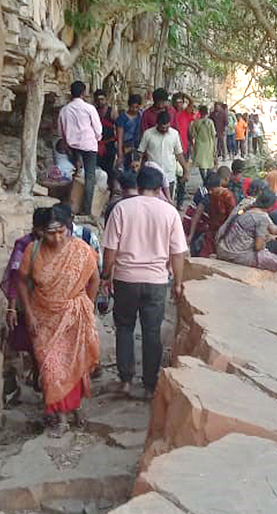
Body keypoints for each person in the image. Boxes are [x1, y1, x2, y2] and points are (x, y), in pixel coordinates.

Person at [102, 166, 188, 399]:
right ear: (161, 188)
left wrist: (105, 275)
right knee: (152, 331)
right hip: (156, 280)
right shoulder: (169, 213)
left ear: (137, 185)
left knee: (125, 328)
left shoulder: (122, 209)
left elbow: (110, 248)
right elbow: (178, 253)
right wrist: (178, 283)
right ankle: (150, 384)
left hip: (126, 279)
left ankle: (126, 380)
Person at [16, 206, 101, 435]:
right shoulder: (32, 251)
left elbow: (95, 279)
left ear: (68, 228)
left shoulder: (82, 250)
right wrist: (29, 314)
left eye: (61, 231)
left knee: (74, 363)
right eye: (51, 232)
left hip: (74, 315)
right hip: (43, 317)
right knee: (51, 367)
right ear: (41, 232)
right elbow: (22, 281)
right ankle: (61, 416)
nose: (57, 237)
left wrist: (87, 305)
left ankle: (75, 409)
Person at [216, 188, 277, 293]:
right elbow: (258, 246)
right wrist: (267, 241)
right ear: (271, 205)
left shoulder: (248, 208)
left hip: (224, 247)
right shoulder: (261, 217)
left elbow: (271, 227)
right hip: (238, 253)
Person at [0, 208, 52, 401]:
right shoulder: (24, 245)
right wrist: (12, 307)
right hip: (28, 305)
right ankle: (19, 386)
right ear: (37, 228)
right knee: (25, 343)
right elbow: (15, 278)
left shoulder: (59, 244)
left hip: (51, 306)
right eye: (46, 230)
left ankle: (43, 384)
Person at [58, 81, 103, 217]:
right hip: (89, 145)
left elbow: (61, 131)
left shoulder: (64, 110)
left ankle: (71, 204)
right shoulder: (89, 108)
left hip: (73, 146)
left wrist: (67, 143)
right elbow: (98, 128)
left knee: (75, 173)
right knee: (90, 176)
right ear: (83, 93)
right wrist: (97, 137)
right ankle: (87, 210)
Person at [137, 110, 188, 202]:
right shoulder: (148, 134)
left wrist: (185, 170)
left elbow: (179, 153)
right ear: (157, 124)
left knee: (169, 201)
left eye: (167, 127)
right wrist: (137, 166)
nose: (164, 129)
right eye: (162, 127)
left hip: (169, 174)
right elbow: (140, 152)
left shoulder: (174, 134)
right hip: (153, 175)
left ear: (170, 124)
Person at [185, 171, 234, 258]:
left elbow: (232, 217)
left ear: (219, 187)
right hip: (210, 231)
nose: (211, 192)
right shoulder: (208, 197)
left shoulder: (228, 197)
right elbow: (197, 215)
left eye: (212, 190)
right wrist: (191, 235)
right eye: (209, 190)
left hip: (224, 231)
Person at [188, 104, 217, 184]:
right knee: (209, 163)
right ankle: (208, 179)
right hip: (209, 144)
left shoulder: (196, 122)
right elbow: (213, 135)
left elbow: (193, 134)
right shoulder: (210, 122)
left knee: (201, 164)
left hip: (199, 145)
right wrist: (215, 148)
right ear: (207, 113)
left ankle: (204, 179)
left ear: (200, 112)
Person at [93, 88, 117, 183]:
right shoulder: (93, 111)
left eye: (102, 99)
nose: (100, 102)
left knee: (109, 168)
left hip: (109, 144)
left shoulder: (112, 112)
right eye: (98, 100)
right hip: (96, 144)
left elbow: (119, 128)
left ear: (106, 99)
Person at [115, 94, 143, 169]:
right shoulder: (122, 118)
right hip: (125, 147)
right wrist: (120, 152)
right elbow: (120, 137)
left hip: (138, 147)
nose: (134, 109)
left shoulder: (140, 116)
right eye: (132, 107)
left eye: (137, 107)